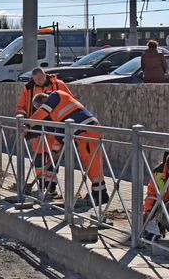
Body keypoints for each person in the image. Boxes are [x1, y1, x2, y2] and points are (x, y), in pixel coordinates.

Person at [29, 91, 108, 204]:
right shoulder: (59, 110)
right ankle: (98, 194)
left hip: (89, 131)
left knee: (93, 166)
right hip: (84, 133)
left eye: (38, 107)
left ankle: (101, 196)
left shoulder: (56, 96)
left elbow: (43, 112)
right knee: (90, 165)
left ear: (43, 102)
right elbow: (60, 134)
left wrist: (28, 125)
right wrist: (54, 154)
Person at [15, 67, 74, 195]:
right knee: (39, 157)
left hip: (56, 127)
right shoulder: (29, 88)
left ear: (45, 76)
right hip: (38, 127)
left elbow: (70, 100)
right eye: (36, 80)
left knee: (54, 157)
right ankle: (41, 184)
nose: (39, 82)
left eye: (41, 79)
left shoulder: (58, 85)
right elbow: (21, 106)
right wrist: (22, 119)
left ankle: (51, 186)